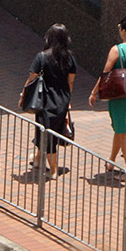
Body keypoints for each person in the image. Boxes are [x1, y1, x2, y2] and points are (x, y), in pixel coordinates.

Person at [18, 23, 77, 178]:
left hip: (45, 101)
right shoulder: (70, 58)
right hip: (62, 101)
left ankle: (54, 170)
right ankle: (38, 160)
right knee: (49, 131)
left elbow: (32, 78)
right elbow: (70, 82)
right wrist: (67, 99)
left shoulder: (42, 57)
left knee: (47, 134)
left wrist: (23, 95)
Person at [88, 16, 126, 174]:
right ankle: (111, 161)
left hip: (120, 95)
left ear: (124, 31)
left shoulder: (117, 49)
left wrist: (94, 92)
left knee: (124, 134)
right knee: (120, 128)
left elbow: (105, 74)